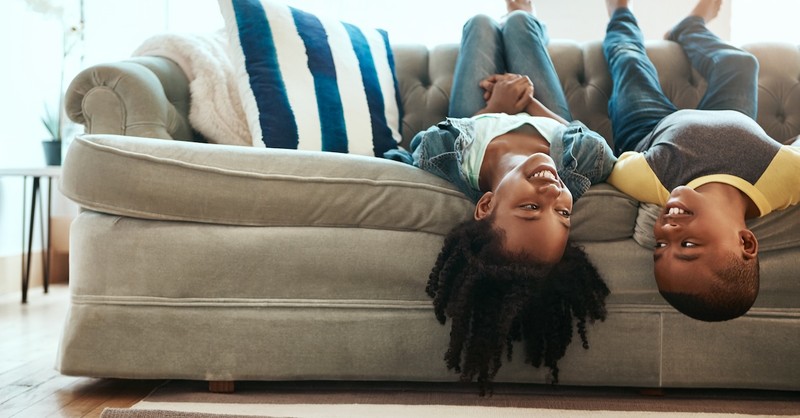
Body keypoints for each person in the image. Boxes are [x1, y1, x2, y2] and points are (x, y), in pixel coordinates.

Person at [386, 0, 613, 393]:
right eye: (562, 212)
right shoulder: (578, 165)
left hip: (479, 114)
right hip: (543, 112)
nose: (552, 192)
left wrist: (495, 106)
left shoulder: (444, 153)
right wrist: (528, 102)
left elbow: (422, 142)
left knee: (476, 23)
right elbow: (594, 143)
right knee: (523, 23)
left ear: (486, 205)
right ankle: (521, 14)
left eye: (530, 207)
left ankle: (505, 21)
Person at [602, 0, 800, 321]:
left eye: (660, 247)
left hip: (651, 126)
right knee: (741, 63)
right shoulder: (785, 179)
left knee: (629, 60)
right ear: (746, 242)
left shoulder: (655, 179)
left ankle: (620, 11)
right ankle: (690, 28)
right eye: (689, 244)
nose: (666, 229)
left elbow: (614, 167)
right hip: (728, 115)